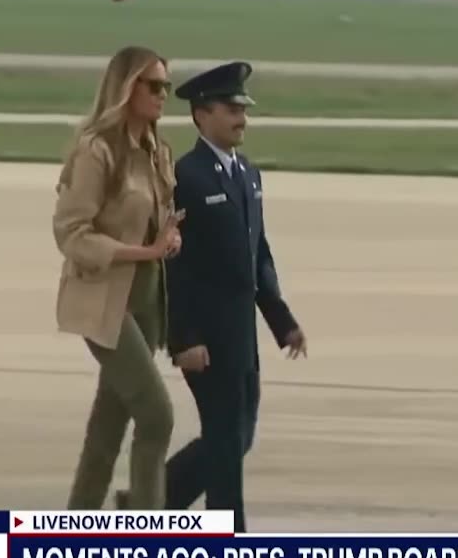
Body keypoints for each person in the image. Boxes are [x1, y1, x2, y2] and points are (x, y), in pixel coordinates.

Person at [156, 60, 306, 531]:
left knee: (237, 439)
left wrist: (282, 321)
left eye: (243, 108)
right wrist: (183, 339)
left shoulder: (249, 175)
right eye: (230, 109)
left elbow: (257, 256)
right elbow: (171, 268)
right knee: (224, 444)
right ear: (202, 115)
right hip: (205, 337)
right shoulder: (185, 176)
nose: (241, 118)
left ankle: (153, 498)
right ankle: (229, 539)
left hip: (241, 335)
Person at [52, 45, 184, 510]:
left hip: (147, 299)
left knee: (108, 425)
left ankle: (77, 523)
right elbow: (70, 233)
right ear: (126, 89)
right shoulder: (96, 151)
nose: (162, 94)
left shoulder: (156, 151)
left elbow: (155, 217)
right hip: (103, 300)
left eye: (166, 86)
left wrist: (167, 240)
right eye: (153, 85)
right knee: (156, 416)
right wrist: (137, 250)